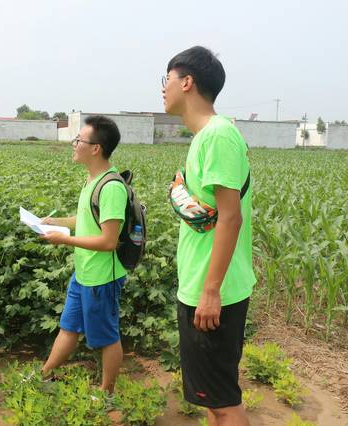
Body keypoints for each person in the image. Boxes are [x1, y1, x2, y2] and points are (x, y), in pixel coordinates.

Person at [163, 46, 256, 425]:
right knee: (214, 400)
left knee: (223, 403)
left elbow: (230, 218)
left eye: (166, 79)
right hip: (202, 285)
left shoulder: (218, 136)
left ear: (187, 82)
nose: (163, 88)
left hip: (214, 291)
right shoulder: (204, 137)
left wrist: (211, 291)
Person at [40, 115, 127, 397]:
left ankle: (106, 394)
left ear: (96, 148)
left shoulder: (111, 187)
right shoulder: (93, 180)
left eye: (79, 140)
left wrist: (64, 241)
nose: (74, 144)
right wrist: (59, 223)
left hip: (102, 278)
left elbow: (108, 240)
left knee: (107, 338)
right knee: (68, 328)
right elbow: (87, 219)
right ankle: (43, 376)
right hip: (84, 273)